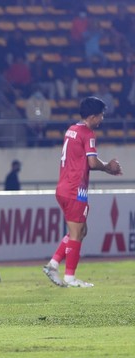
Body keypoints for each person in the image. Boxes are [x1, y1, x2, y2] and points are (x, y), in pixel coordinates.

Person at [42, 97, 122, 288]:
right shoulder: (87, 133)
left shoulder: (71, 129)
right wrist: (109, 167)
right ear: (93, 116)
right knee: (76, 233)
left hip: (64, 187)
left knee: (81, 230)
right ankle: (70, 277)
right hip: (75, 190)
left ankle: (53, 264)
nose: (102, 119)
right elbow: (92, 163)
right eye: (101, 115)